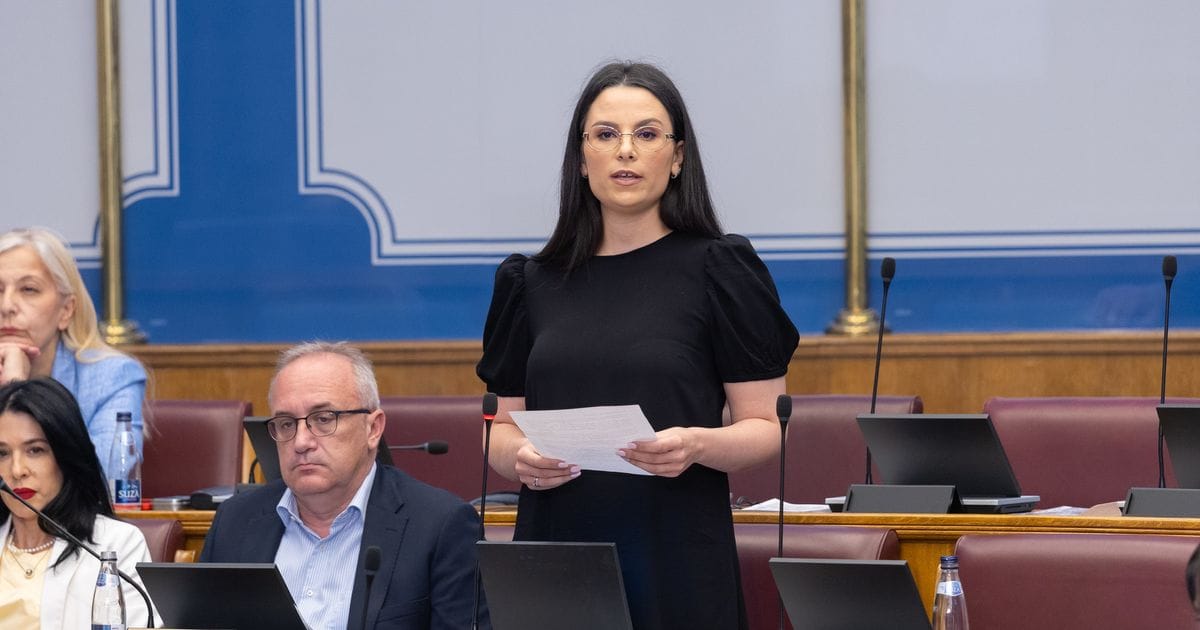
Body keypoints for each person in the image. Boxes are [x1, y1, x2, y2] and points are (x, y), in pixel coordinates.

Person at [477, 61, 800, 629]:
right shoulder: (530, 282)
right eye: (605, 135)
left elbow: (768, 427)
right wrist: (520, 458)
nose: (625, 150)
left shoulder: (720, 269)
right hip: (557, 548)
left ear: (677, 157)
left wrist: (697, 444)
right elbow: (498, 429)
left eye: (647, 134)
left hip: (675, 550)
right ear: (582, 159)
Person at [200, 341, 487, 630]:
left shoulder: (440, 526)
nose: (301, 442)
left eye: (324, 419)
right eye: (286, 423)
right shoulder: (234, 521)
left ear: (373, 428)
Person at [0, 377, 153, 629]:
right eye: (2, 453)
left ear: (66, 455)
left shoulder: (116, 544)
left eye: (35, 450)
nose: (17, 470)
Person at [0, 227, 147, 478]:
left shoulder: (112, 377)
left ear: (66, 310)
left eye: (29, 289)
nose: (7, 306)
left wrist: (15, 391)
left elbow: (105, 475)